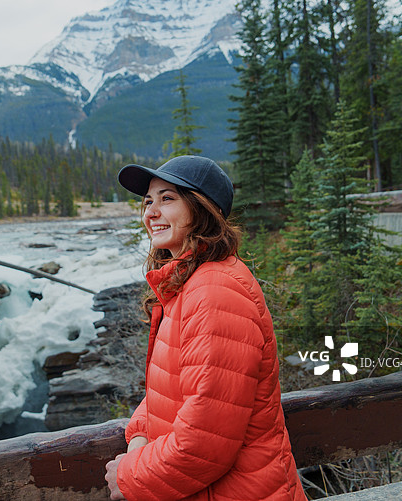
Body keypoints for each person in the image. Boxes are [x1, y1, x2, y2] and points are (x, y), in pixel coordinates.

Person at [105, 155, 306, 500]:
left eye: (167, 199)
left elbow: (205, 442)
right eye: (148, 201)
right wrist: (139, 434)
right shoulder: (191, 282)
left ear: (202, 209)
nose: (150, 212)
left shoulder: (215, 291)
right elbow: (174, 386)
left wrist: (128, 475)